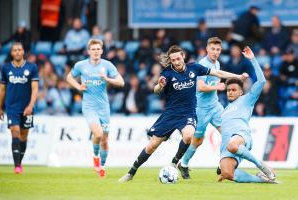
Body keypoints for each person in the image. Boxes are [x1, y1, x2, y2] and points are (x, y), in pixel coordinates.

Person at [118, 45, 248, 183]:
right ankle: (131, 172)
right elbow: (156, 90)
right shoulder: (167, 73)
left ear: (183, 56)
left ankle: (174, 162)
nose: (176, 62)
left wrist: (237, 76)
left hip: (188, 113)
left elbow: (218, 73)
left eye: (178, 58)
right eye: (173, 60)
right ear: (171, 60)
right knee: (152, 146)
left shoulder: (194, 68)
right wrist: (160, 85)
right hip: (170, 114)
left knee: (188, 135)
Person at [217, 46, 277, 183]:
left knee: (232, 145)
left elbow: (261, 81)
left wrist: (253, 59)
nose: (230, 92)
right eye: (228, 90)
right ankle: (263, 180)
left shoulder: (247, 99)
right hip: (226, 145)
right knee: (227, 174)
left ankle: (261, 165)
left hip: (241, 136)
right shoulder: (225, 110)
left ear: (241, 92)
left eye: (233, 90)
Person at [66, 39, 124, 177]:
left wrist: (108, 79)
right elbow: (69, 77)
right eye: (93, 49)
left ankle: (102, 166)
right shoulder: (81, 65)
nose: (96, 51)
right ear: (89, 51)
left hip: (104, 107)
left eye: (98, 49)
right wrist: (78, 87)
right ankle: (95, 157)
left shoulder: (107, 65)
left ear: (102, 51)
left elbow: (121, 82)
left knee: (105, 140)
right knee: (98, 134)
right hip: (89, 106)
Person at [178, 37, 226, 179]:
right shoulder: (202, 65)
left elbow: (216, 79)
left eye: (218, 50)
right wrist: (218, 86)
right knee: (198, 140)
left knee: (229, 133)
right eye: (213, 49)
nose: (215, 52)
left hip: (215, 106)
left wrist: (218, 83)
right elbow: (201, 87)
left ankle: (223, 164)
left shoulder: (217, 64)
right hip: (200, 109)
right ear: (207, 49)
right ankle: (184, 164)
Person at [0, 42, 39, 174]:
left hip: (27, 107)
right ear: (11, 53)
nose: (17, 52)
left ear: (23, 52)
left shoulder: (32, 67)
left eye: (19, 50)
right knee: (15, 132)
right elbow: (2, 89)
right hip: (12, 107)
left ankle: (19, 162)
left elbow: (35, 88)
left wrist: (31, 106)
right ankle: (17, 166)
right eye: (14, 50)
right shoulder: (5, 68)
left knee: (24, 135)